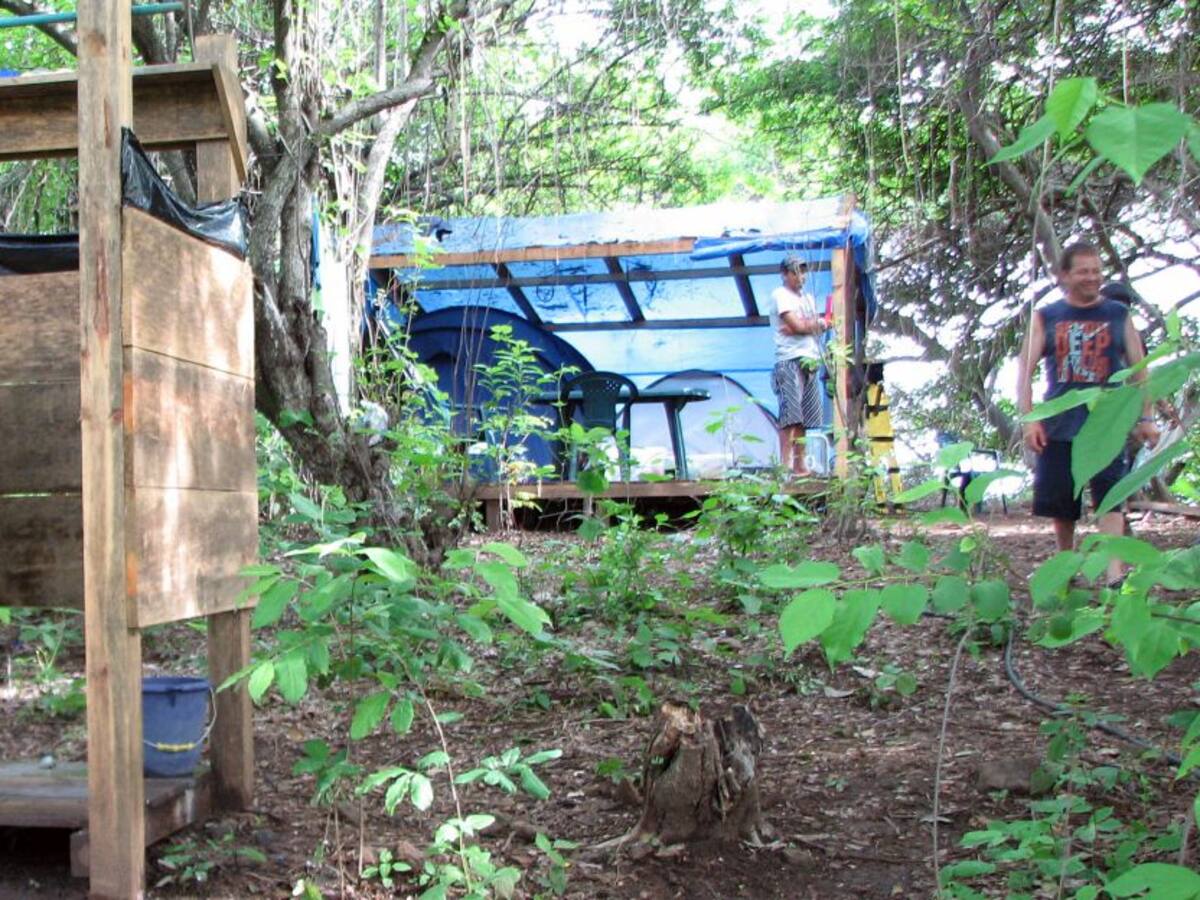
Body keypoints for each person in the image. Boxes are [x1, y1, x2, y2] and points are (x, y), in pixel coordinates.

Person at [1016, 241, 1159, 584]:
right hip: (1059, 423)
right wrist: (1030, 419)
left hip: (1105, 424)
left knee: (1111, 497)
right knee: (1062, 503)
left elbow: (1140, 367)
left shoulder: (1117, 314)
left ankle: (1114, 574)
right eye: (1083, 271)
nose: (1091, 278)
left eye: (1096, 271)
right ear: (1064, 275)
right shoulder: (1046, 316)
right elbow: (1025, 370)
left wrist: (1146, 417)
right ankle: (1066, 567)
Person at [768, 255, 825, 476]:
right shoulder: (780, 295)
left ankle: (801, 464)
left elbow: (812, 325)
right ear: (784, 275)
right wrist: (810, 325)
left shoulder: (808, 298)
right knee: (790, 413)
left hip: (809, 358)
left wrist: (809, 325)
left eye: (803, 272)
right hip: (789, 359)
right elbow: (796, 325)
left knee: (804, 416)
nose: (800, 277)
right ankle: (785, 465)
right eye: (795, 272)